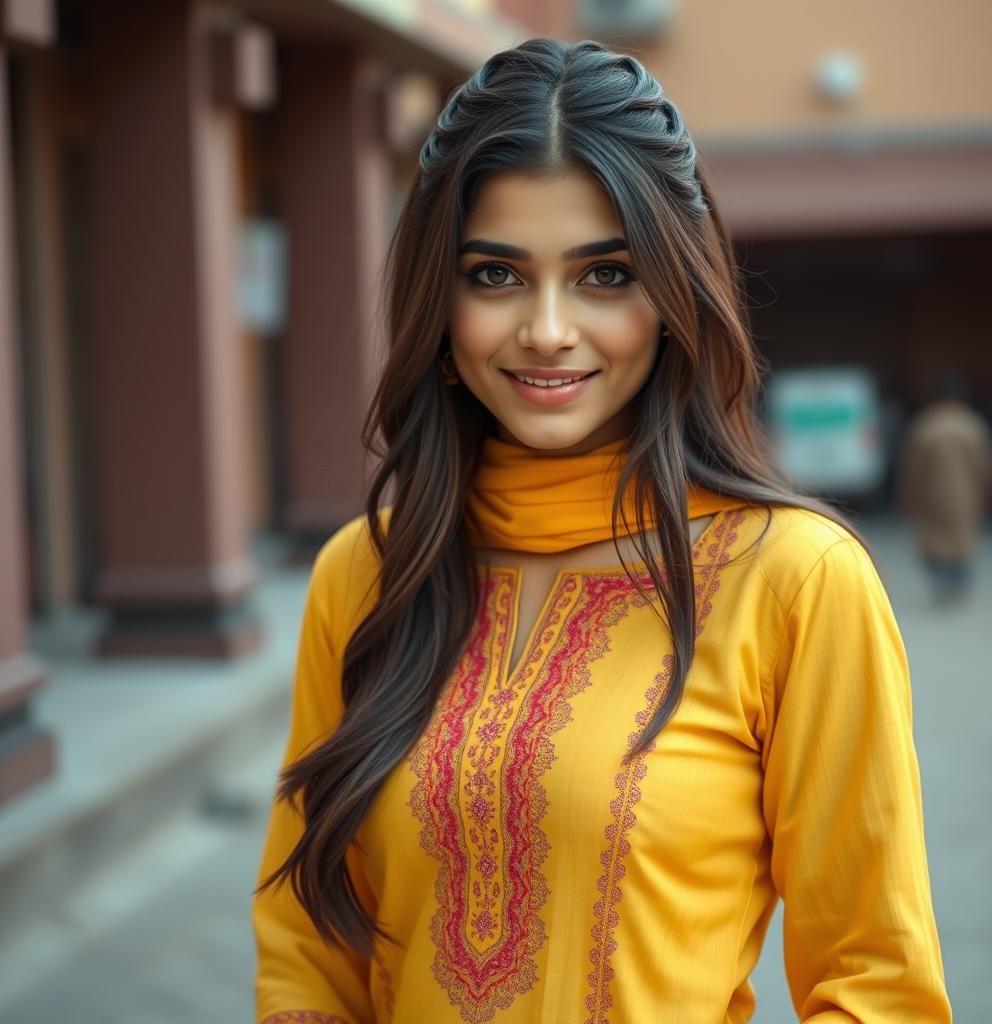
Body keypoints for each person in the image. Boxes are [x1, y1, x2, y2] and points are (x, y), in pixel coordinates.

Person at [252, 38, 951, 1024]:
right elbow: (307, 950)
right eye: (495, 275)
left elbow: (877, 985)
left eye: (604, 275)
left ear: (672, 299)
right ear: (438, 303)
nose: (544, 328)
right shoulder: (369, 573)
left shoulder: (793, 581)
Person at [899, 376, 992, 604]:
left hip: (931, 494)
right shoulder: (971, 425)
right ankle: (958, 581)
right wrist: (988, 489)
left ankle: (941, 581)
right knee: (961, 538)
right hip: (966, 493)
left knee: (934, 540)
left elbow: (912, 467)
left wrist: (908, 496)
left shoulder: (925, 425)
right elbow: (986, 462)